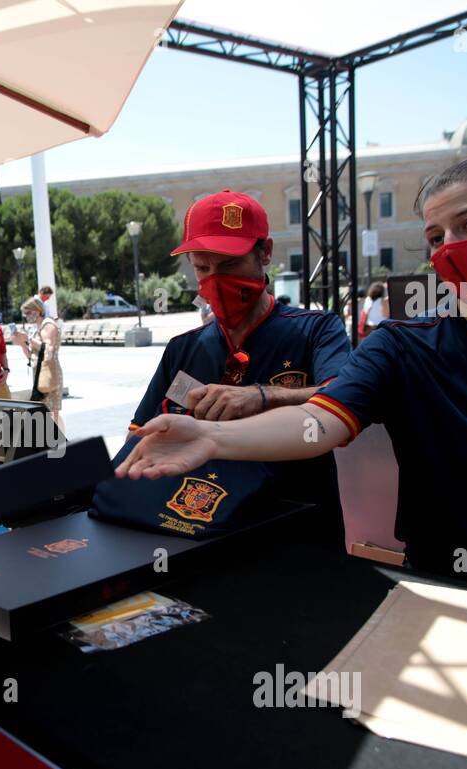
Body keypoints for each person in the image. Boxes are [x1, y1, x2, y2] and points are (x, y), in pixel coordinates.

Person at [118, 154, 467, 602]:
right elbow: (320, 421)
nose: (449, 248)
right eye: (435, 237)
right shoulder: (402, 345)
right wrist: (211, 435)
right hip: (441, 589)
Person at [112, 189, 351, 543]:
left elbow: (345, 396)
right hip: (198, 535)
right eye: (202, 268)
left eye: (228, 265)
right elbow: (139, 436)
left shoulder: (316, 329)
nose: (215, 280)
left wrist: (263, 396)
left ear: (265, 252)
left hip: (297, 532)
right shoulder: (183, 348)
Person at [13, 295, 64, 428]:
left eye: (28, 312)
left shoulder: (48, 324)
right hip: (39, 374)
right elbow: (32, 357)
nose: (26, 316)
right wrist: (22, 343)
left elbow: (47, 347)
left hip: (49, 373)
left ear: (37, 310)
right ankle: (50, 441)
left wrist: (28, 338)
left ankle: (59, 442)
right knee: (44, 411)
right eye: (25, 314)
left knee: (52, 411)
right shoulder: (38, 327)